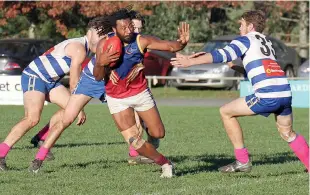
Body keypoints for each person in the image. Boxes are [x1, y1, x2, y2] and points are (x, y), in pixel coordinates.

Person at [29, 8, 190, 178]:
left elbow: (167, 46)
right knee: (67, 117)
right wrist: (101, 63)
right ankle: (39, 158)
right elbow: (98, 75)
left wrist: (181, 44)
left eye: (136, 28)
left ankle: (145, 146)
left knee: (150, 128)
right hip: (95, 81)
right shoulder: (106, 43)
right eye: (130, 27)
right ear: (115, 28)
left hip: (128, 90)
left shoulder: (140, 41)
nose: (133, 31)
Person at [171, 10, 309, 173]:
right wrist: (234, 66)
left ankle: (242, 161)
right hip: (284, 93)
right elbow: (255, 71)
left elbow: (221, 54)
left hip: (267, 94)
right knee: (287, 133)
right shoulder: (265, 42)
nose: (239, 28)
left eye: (241, 24)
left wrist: (189, 61)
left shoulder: (246, 39)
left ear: (250, 26)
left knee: (226, 112)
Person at [0, 17, 106, 171]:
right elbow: (74, 81)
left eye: (105, 35)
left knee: (70, 109)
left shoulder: (86, 48)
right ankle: (1, 154)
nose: (103, 38)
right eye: (100, 34)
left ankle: (41, 138)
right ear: (90, 33)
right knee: (32, 118)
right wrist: (79, 106)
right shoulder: (79, 48)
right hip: (35, 76)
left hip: (51, 80)